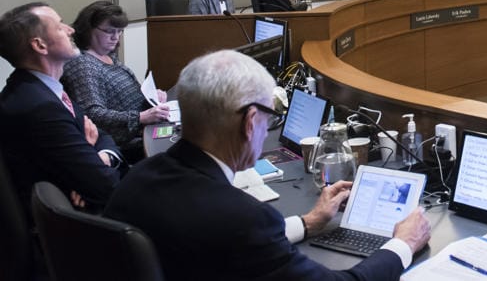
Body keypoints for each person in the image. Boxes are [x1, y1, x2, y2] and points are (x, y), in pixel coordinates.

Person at [104, 49, 430, 281]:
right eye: (267, 118)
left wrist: (307, 222)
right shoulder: (242, 218)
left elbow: (224, 245)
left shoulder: (138, 178)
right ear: (249, 122)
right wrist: (403, 244)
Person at [0, 2, 125, 214]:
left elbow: (101, 134)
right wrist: (90, 171)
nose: (71, 30)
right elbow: (105, 185)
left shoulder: (44, 90)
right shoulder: (39, 107)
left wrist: (99, 158)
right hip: (81, 224)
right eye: (60, 26)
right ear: (40, 46)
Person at [61, 1, 171, 163]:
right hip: (124, 143)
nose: (116, 37)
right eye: (109, 31)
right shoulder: (83, 64)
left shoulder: (107, 55)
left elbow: (124, 96)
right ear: (88, 29)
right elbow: (93, 114)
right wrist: (140, 117)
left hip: (140, 131)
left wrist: (152, 98)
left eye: (120, 31)